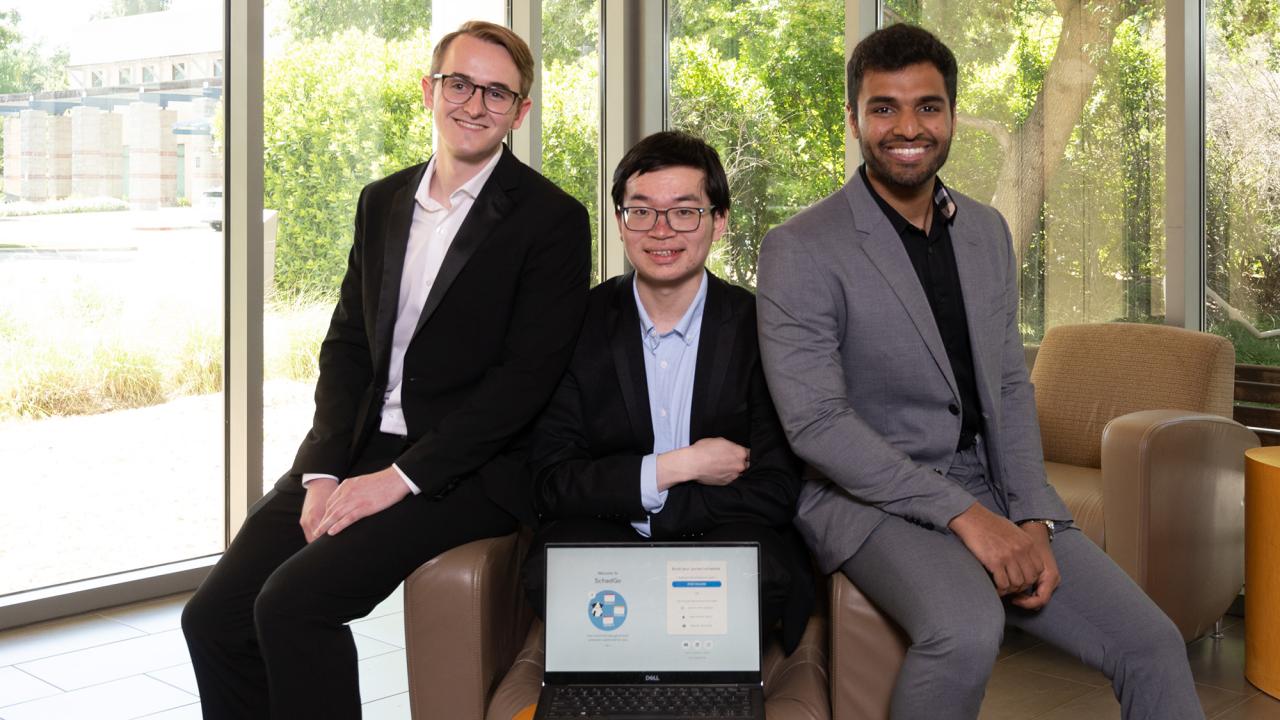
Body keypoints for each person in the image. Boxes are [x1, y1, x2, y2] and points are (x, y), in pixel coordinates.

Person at [755, 23, 1202, 719]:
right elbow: (818, 425)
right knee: (964, 631)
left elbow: (1009, 387)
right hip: (867, 496)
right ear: (853, 119)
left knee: (1152, 644)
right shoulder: (801, 247)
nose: (909, 127)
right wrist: (967, 517)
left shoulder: (986, 231)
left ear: (953, 116)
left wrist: (1034, 516)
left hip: (991, 482)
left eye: (928, 107)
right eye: (884, 108)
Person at [181, 20, 590, 718]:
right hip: (359, 447)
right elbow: (347, 345)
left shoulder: (552, 220)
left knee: (292, 605)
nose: (474, 104)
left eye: (497, 93)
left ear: (520, 112)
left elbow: (524, 383)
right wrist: (321, 472)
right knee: (213, 617)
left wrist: (399, 479)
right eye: (459, 84)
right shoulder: (382, 201)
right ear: (429, 90)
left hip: (470, 468)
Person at [521, 131, 813, 652]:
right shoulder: (575, 324)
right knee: (553, 570)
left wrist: (655, 516)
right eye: (641, 212)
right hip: (605, 542)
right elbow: (553, 482)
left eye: (684, 212)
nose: (661, 230)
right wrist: (681, 466)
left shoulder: (760, 327)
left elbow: (775, 489)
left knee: (759, 573)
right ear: (619, 222)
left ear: (718, 221)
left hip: (721, 540)